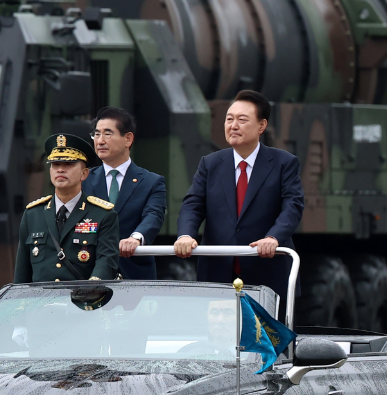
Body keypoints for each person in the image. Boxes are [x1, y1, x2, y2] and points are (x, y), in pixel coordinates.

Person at [174, 89, 305, 302]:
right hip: (218, 275)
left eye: (242, 120)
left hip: (267, 273)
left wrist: (273, 237)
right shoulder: (210, 163)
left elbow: (292, 205)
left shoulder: (283, 163)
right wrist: (186, 235)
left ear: (261, 126)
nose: (233, 125)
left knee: (268, 336)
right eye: (229, 119)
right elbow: (193, 204)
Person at [14, 133, 120, 283]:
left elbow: (106, 262)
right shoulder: (33, 214)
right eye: (55, 165)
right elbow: (22, 270)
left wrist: (91, 289)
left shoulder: (103, 214)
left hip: (82, 300)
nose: (60, 170)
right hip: (41, 302)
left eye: (68, 164)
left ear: (84, 173)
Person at [84, 108, 167, 280]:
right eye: (96, 134)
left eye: (108, 134)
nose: (100, 141)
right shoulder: (83, 180)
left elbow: (154, 215)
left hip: (133, 274)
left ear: (128, 139)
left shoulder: (151, 181)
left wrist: (136, 238)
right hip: (90, 274)